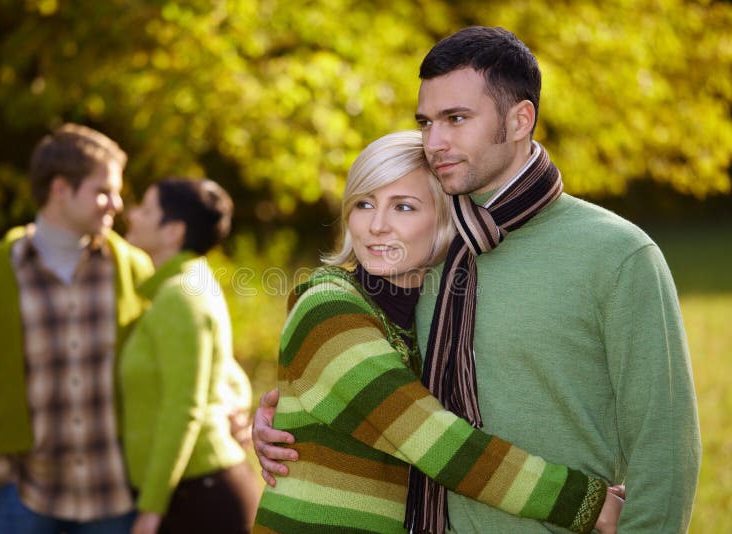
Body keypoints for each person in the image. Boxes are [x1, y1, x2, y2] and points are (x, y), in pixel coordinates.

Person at [255, 27, 701, 533]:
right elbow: (398, 409)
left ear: (519, 119)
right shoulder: (422, 248)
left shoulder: (617, 255)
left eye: (457, 119)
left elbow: (664, 449)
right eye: (425, 122)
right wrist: (289, 412)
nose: (435, 142)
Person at [252, 130, 623, 534]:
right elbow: (434, 441)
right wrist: (589, 503)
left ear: (447, 219)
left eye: (404, 207)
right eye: (364, 203)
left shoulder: (441, 319)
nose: (377, 225)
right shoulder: (327, 308)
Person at [0, 123, 152, 533]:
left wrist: (231, 399)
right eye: (103, 191)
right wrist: (0, 473)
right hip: (24, 502)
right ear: (60, 190)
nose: (117, 204)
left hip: (116, 501)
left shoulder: (134, 271)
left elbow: (188, 348)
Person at [121, 177, 260, 534]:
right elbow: (222, 368)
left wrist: (151, 511)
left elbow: (183, 407)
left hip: (196, 499)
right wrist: (237, 401)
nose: (132, 214)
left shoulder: (179, 296)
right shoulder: (190, 283)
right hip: (194, 492)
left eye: (147, 209)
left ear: (173, 232)